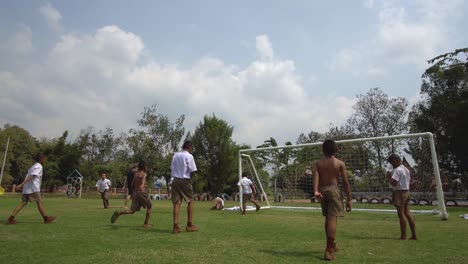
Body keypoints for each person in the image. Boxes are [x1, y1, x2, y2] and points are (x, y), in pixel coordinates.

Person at [313, 140, 352, 261]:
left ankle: (333, 244)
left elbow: (315, 177)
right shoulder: (339, 163)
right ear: (337, 150)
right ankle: (328, 250)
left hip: (322, 191)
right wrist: (349, 199)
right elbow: (345, 182)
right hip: (334, 190)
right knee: (332, 219)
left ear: (323, 150)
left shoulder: (318, 163)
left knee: (328, 218)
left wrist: (316, 192)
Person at [6, 153, 56, 224]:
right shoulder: (39, 166)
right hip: (33, 188)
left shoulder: (33, 166)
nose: (45, 160)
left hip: (27, 188)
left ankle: (10, 219)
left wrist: (23, 185)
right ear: (41, 159)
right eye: (44, 159)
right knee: (39, 202)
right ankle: (46, 219)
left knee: (23, 203)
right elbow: (32, 176)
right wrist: (21, 184)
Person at [111, 161, 153, 228]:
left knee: (132, 211)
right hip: (141, 192)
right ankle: (146, 224)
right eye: (146, 166)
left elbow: (132, 184)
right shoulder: (144, 174)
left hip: (135, 193)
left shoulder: (135, 174)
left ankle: (120, 212)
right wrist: (142, 185)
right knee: (150, 207)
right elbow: (142, 182)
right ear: (144, 167)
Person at [386, 154, 417, 240]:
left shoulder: (397, 170)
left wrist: (389, 177)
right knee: (407, 213)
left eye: (391, 163)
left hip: (400, 192)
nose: (391, 165)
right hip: (406, 191)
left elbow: (394, 183)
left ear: (394, 161)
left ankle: (403, 236)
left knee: (401, 214)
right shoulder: (406, 169)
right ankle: (414, 235)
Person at [170, 140, 198, 234]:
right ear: (189, 147)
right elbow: (192, 170)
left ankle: (175, 226)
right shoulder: (189, 156)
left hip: (175, 179)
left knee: (177, 202)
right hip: (185, 179)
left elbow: (172, 168)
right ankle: (189, 225)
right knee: (190, 201)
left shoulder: (175, 155)